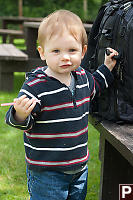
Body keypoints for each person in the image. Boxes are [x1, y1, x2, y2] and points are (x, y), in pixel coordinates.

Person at [5, 10, 118, 200]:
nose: (65, 57)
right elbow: (16, 120)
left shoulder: (82, 77)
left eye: (71, 51)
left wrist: (107, 67)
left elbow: (96, 84)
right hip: (47, 172)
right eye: (56, 51)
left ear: (83, 51)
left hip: (79, 168)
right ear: (42, 53)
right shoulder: (36, 86)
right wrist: (21, 114)